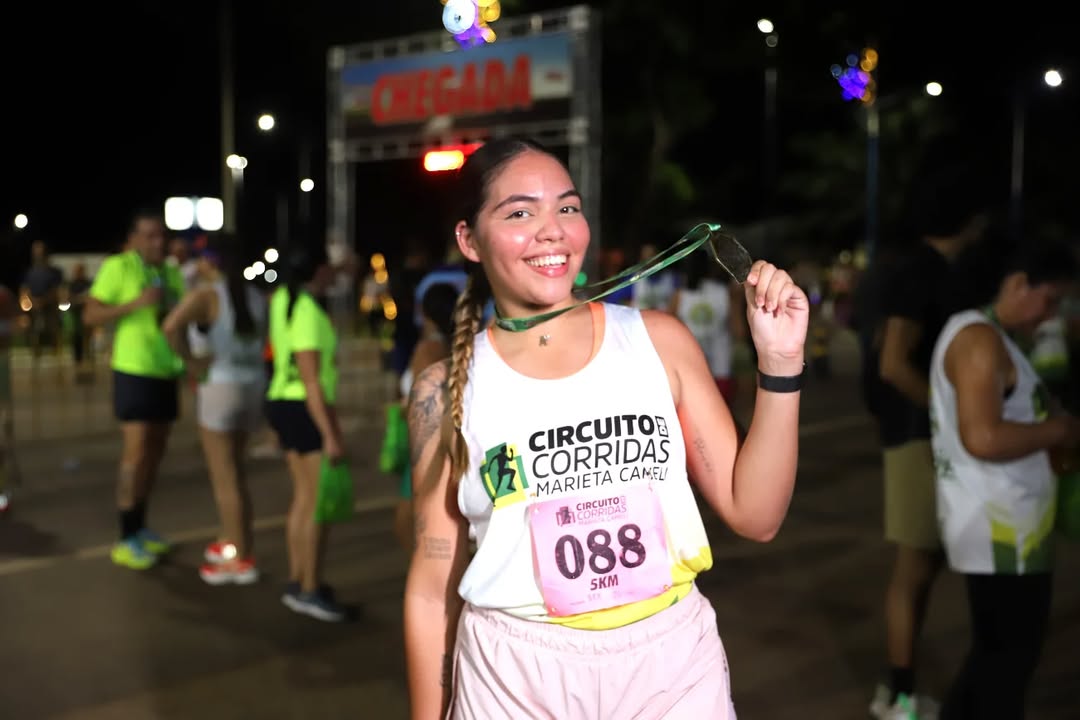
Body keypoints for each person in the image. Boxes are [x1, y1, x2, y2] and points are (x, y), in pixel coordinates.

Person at [403, 137, 809, 719]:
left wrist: (780, 364)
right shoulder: (442, 393)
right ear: (469, 239)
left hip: (671, 667)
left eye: (567, 207)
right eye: (520, 212)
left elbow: (757, 514)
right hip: (512, 679)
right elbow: (428, 585)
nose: (552, 230)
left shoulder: (657, 341)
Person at [929, 241, 1079, 719]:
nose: (1050, 315)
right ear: (1018, 284)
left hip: (1007, 528)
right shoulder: (979, 340)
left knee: (996, 660)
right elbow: (984, 436)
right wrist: (1059, 429)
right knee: (1006, 666)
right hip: (1001, 531)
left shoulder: (988, 335)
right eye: (1050, 299)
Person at [870, 166, 987, 718]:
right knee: (914, 569)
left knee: (923, 567)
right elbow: (894, 363)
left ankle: (900, 688)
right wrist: (949, 414)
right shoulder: (924, 272)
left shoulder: (922, 267)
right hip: (918, 438)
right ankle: (900, 694)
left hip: (921, 436)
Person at [162, 232, 267, 585]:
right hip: (253, 387)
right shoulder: (255, 295)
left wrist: (190, 362)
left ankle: (240, 557)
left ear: (210, 261)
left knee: (225, 478)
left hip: (220, 386)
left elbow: (170, 326)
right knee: (235, 471)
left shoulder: (208, 295)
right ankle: (233, 540)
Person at [83, 210, 186, 570]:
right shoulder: (120, 267)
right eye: (150, 235)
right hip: (134, 370)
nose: (158, 241)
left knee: (156, 451)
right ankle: (125, 536)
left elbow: (180, 320)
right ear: (135, 238)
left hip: (166, 370)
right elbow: (90, 315)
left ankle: (141, 527)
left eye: (162, 235)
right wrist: (133, 305)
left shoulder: (171, 272)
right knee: (137, 450)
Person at [264, 245, 348, 622]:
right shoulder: (309, 313)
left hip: (282, 402)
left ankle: (299, 580)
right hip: (303, 408)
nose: (333, 272)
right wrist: (329, 432)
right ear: (317, 271)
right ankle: (310, 589)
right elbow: (312, 381)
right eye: (327, 266)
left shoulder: (283, 298)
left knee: (302, 498)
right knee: (317, 504)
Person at [393, 282, 458, 552]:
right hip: (441, 438)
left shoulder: (428, 349)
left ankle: (421, 571)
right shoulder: (453, 344)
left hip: (427, 440)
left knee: (412, 513)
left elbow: (425, 403)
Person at [670, 245, 745, 407]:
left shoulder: (679, 295)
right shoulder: (724, 293)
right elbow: (739, 332)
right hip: (720, 369)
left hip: (690, 370)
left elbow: (669, 333)